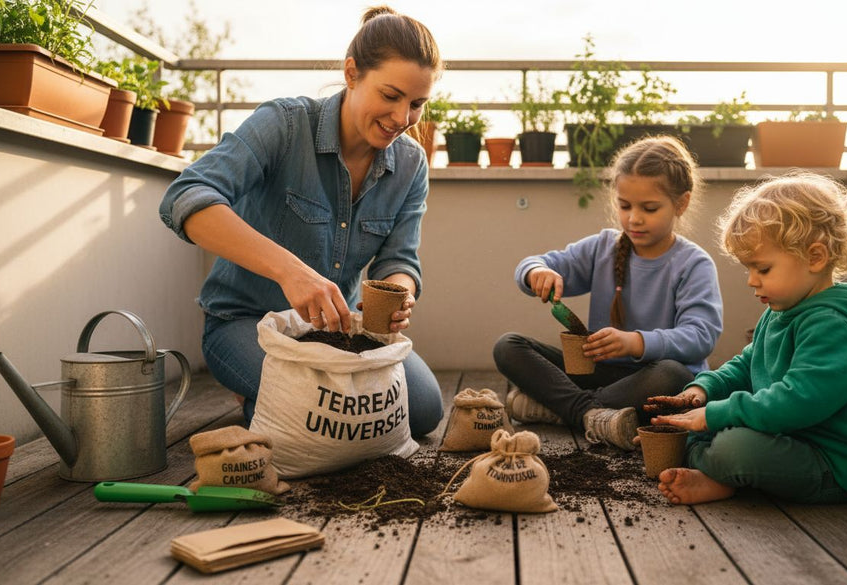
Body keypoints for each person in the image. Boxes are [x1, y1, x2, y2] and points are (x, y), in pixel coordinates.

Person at [158, 6, 444, 435]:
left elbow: (399, 260)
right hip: (246, 324)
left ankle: (268, 401)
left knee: (421, 408)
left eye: (417, 104)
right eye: (390, 96)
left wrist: (399, 293)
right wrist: (290, 272)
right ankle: (262, 392)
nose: (402, 119)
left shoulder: (410, 164)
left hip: (337, 333)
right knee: (327, 412)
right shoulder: (285, 125)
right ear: (352, 73)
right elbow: (185, 197)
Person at [645, 172, 847, 505]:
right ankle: (717, 472)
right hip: (785, 437)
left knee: (734, 447)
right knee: (698, 427)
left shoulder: (837, 326)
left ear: (815, 257)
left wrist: (713, 416)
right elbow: (747, 364)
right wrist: (703, 391)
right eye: (748, 269)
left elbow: (797, 401)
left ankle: (720, 474)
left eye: (762, 269)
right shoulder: (782, 310)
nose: (751, 280)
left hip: (833, 463)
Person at [493, 136, 724, 451]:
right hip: (601, 376)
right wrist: (536, 272)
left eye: (649, 208)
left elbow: (700, 337)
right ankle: (593, 415)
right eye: (624, 205)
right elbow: (537, 263)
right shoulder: (603, 247)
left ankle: (562, 409)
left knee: (673, 375)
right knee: (509, 346)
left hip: (650, 381)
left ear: (681, 204)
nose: (634, 218)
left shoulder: (693, 264)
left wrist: (636, 342)